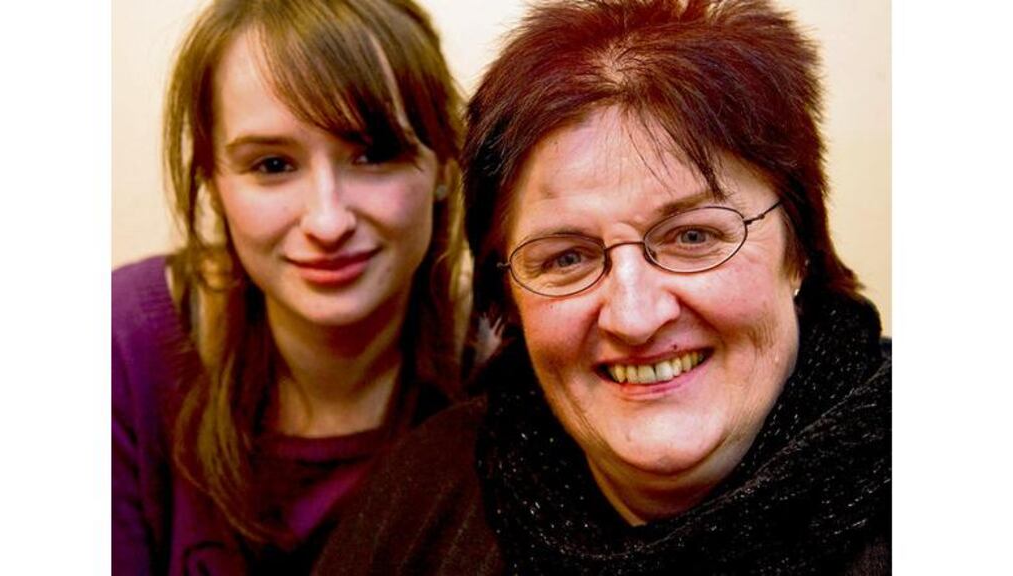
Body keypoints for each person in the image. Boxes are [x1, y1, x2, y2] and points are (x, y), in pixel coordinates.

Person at [314, 0, 891, 573]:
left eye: (693, 237)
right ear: (508, 298)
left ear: (800, 250)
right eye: (567, 257)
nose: (635, 316)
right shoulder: (425, 493)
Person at [111, 0, 467, 572]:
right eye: (272, 165)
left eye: (372, 155)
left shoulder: (513, 374)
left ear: (445, 170)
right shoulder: (118, 346)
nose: (328, 222)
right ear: (214, 184)